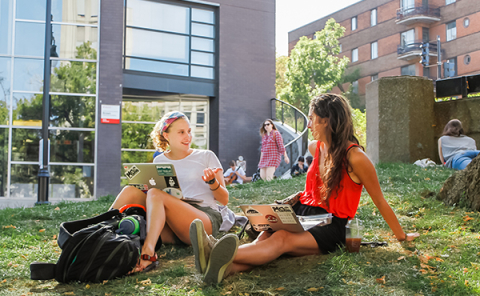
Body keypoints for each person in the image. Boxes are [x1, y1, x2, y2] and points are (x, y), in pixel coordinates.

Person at [191, 93, 420, 285]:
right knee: (268, 232)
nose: (308, 125)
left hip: (332, 224)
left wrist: (402, 236)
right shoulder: (316, 147)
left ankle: (216, 253)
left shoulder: (356, 158)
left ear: (327, 121)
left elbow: (380, 201)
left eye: (312, 119)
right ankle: (222, 269)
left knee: (281, 239)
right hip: (303, 212)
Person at [110, 111, 228, 273]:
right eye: (181, 132)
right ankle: (102, 231)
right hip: (171, 224)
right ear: (166, 135)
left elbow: (224, 199)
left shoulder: (206, 156)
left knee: (155, 194)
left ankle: (148, 252)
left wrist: (212, 182)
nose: (187, 136)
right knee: (130, 190)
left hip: (203, 220)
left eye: (189, 131)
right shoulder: (160, 160)